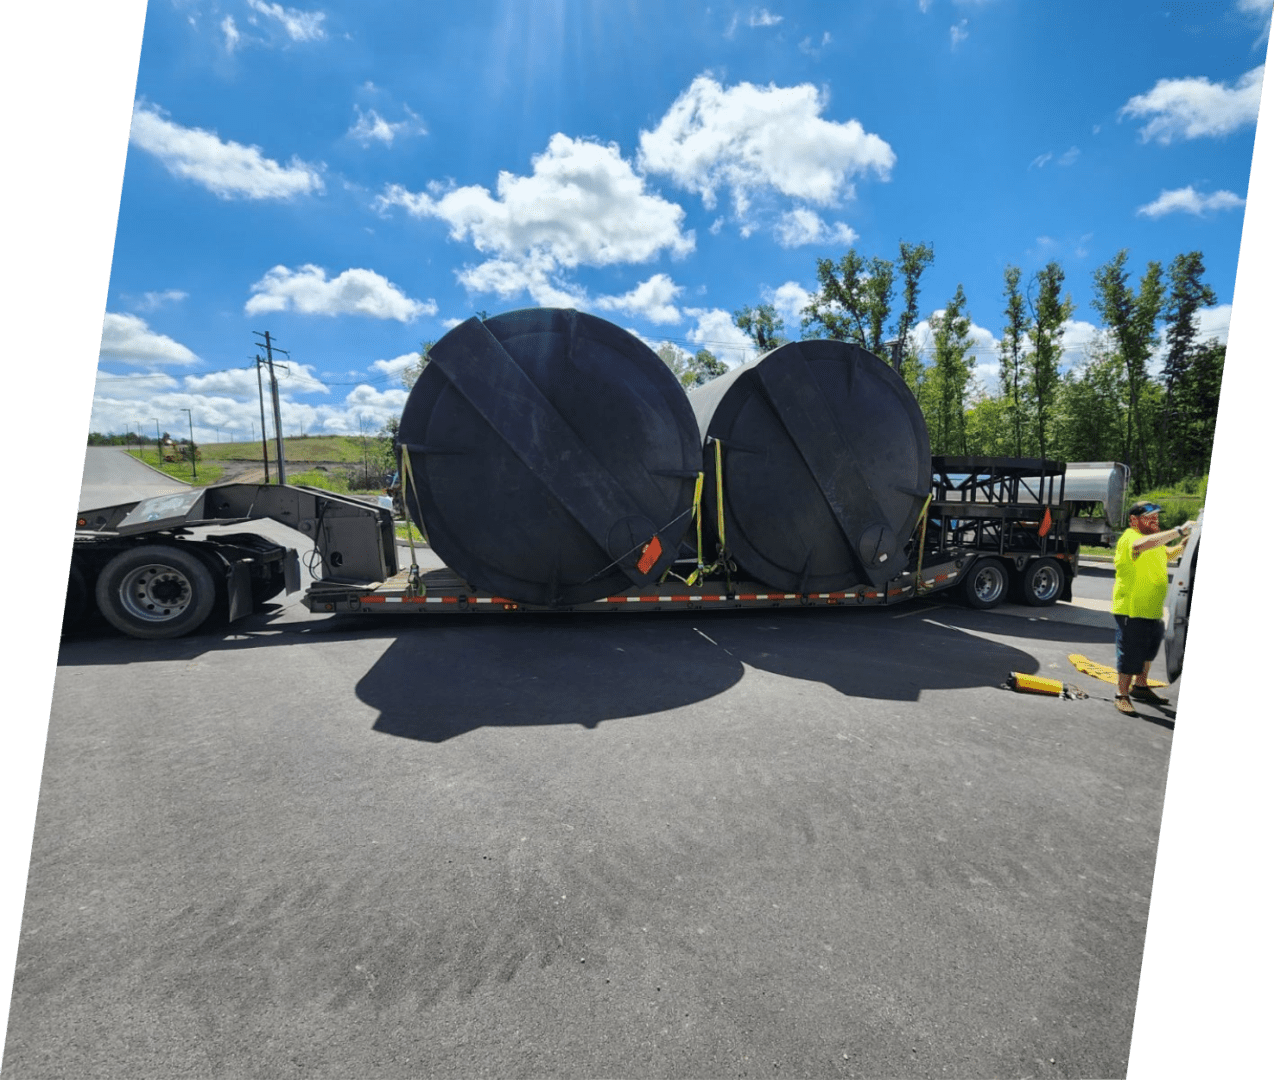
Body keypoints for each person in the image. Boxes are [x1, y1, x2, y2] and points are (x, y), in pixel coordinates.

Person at [1110, 501, 1192, 715]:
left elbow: (1168, 555)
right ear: (1133, 520)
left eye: (1157, 517)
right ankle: (1121, 694)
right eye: (1150, 516)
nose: (1155, 520)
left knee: (1148, 650)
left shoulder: (1154, 543)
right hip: (1132, 609)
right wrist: (1177, 530)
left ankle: (1141, 686)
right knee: (1130, 652)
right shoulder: (1131, 538)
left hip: (1152, 609)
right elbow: (1141, 546)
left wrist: (1182, 545)